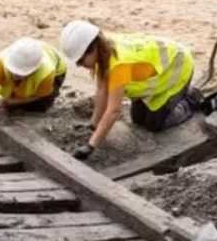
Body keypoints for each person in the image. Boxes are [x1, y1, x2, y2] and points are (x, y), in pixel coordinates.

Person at [59, 20, 198, 161]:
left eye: (81, 61)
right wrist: (93, 124)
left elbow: (114, 111)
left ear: (92, 49)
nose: (79, 65)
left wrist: (91, 146)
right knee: (138, 119)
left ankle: (191, 100)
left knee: (155, 124)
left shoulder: (118, 66)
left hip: (177, 67)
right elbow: (102, 90)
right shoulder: (103, 48)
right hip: (156, 71)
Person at [0, 37, 67, 136]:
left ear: (33, 71)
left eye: (21, 74)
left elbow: (41, 95)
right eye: (13, 71)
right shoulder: (0, 63)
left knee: (38, 107)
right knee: (3, 89)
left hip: (57, 69)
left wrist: (10, 102)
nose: (16, 76)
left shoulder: (46, 74)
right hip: (30, 60)